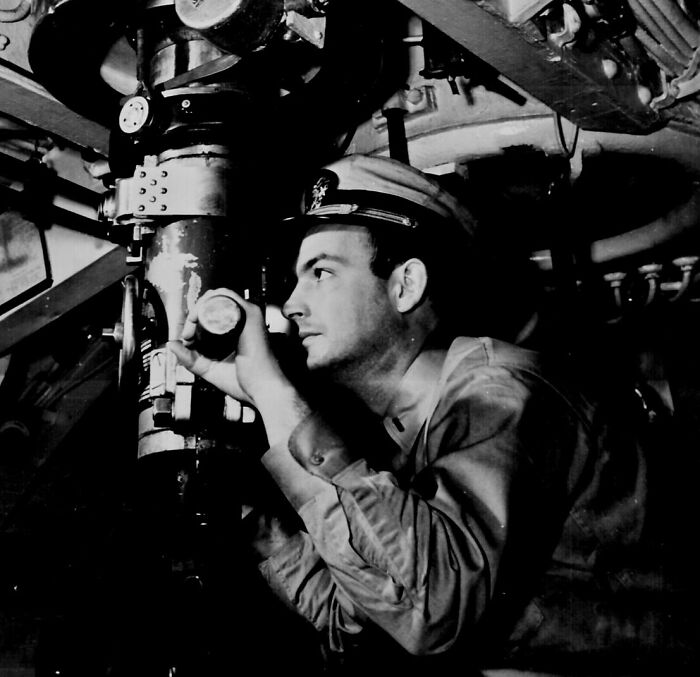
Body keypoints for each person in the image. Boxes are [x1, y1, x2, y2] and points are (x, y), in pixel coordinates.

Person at [168, 154, 693, 676]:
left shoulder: (503, 394)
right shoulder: (399, 445)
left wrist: (272, 391)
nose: (294, 303)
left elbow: (432, 609)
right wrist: (250, 515)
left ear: (405, 286)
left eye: (321, 273)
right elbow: (354, 625)